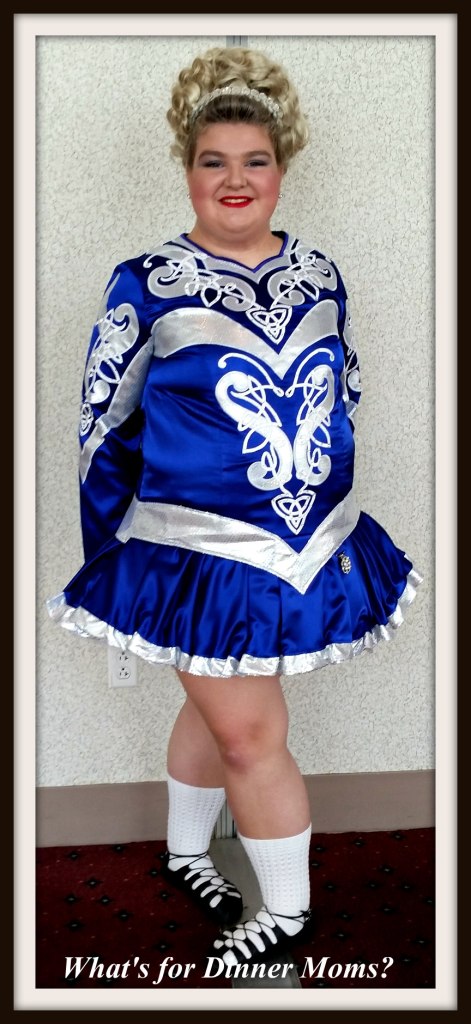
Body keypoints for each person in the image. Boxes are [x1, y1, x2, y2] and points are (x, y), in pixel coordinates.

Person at [47, 46, 422, 968]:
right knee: (249, 734)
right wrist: (120, 560)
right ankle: (289, 913)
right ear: (186, 169)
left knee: (220, 711)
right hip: (193, 552)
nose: (235, 179)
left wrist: (327, 511)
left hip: (308, 546)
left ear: (282, 168)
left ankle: (186, 854)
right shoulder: (144, 282)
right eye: (212, 160)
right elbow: (102, 423)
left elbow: (342, 397)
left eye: (255, 160)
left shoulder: (321, 274)